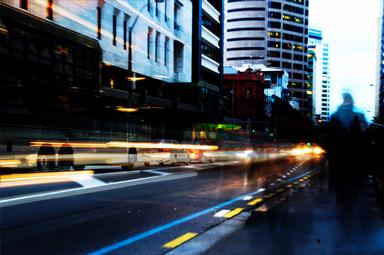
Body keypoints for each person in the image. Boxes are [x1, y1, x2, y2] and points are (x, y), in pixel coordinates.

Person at [324, 93, 369, 210]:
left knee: (337, 177)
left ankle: (339, 194)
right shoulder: (359, 116)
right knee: (355, 179)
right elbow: (365, 136)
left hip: (339, 155)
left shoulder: (335, 116)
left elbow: (327, 137)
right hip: (353, 155)